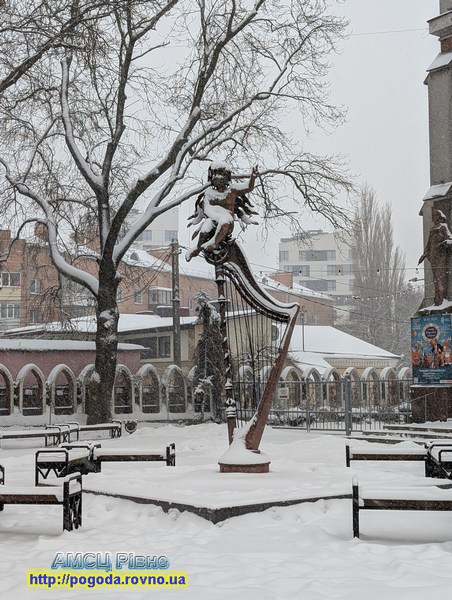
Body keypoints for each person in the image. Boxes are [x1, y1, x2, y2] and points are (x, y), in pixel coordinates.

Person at [185, 162, 259, 261]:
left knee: (224, 221)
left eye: (223, 175)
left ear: (227, 178)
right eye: (217, 175)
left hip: (227, 223)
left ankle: (214, 243)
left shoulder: (232, 191)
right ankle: (199, 248)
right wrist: (198, 219)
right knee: (206, 226)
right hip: (213, 220)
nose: (219, 178)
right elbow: (204, 209)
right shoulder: (209, 193)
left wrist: (253, 178)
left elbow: (248, 187)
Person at [418, 208, 452, 306]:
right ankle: (437, 298)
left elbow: (450, 240)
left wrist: (444, 244)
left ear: (439, 216)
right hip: (434, 257)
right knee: (435, 279)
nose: (433, 217)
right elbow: (429, 244)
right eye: (432, 215)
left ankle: (442, 298)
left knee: (441, 277)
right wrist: (424, 254)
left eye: (435, 215)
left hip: (441, 256)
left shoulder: (443, 227)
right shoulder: (432, 229)